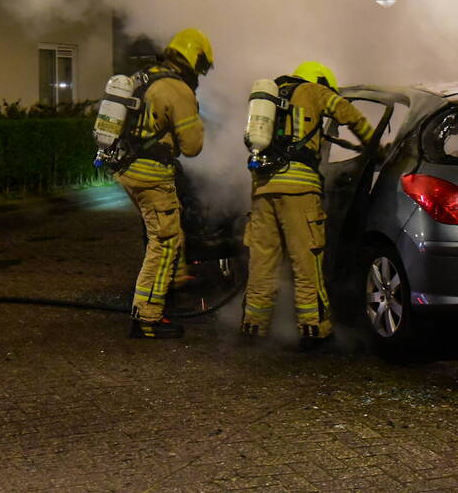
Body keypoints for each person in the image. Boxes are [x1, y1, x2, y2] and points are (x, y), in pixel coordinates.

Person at [241, 61, 375, 350]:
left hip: (263, 187)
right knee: (306, 262)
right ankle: (313, 330)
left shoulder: (273, 95)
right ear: (321, 80)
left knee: (262, 263)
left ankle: (254, 326)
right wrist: (374, 144)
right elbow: (350, 114)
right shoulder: (315, 92)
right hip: (299, 191)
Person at [119, 27, 213, 339]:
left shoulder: (144, 77)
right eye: (201, 67)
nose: (199, 74)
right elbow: (192, 147)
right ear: (193, 59)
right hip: (151, 173)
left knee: (164, 229)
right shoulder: (177, 89)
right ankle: (147, 318)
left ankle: (172, 282)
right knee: (165, 241)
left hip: (127, 168)